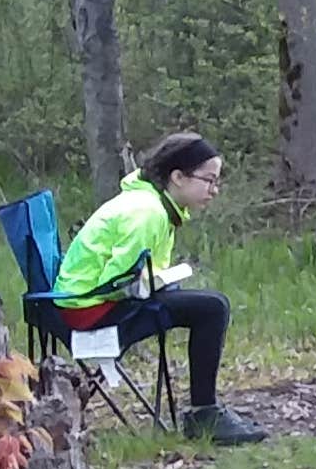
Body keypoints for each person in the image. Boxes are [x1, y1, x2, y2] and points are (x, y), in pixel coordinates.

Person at [50, 132, 267, 444]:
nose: (214, 190)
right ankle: (204, 415)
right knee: (213, 308)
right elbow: (119, 281)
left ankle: (205, 412)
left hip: (89, 303)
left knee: (207, 304)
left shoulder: (155, 204)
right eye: (208, 180)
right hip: (91, 310)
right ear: (178, 177)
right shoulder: (148, 212)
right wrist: (156, 285)